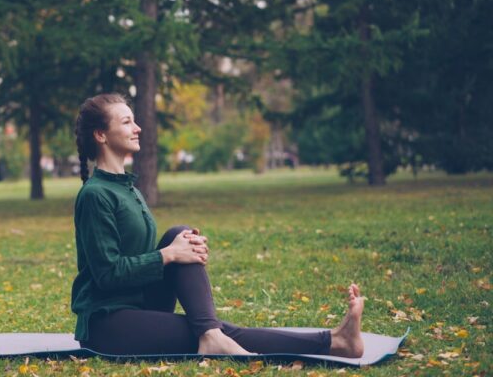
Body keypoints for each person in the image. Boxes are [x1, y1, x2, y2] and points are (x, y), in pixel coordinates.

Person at [70, 93, 365, 357]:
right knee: (216, 329)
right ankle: (334, 342)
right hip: (108, 323)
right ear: (101, 135)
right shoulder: (96, 195)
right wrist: (169, 255)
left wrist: (180, 247)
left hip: (143, 304)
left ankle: (211, 333)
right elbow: (107, 275)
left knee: (179, 233)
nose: (138, 128)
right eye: (127, 122)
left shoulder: (128, 189)